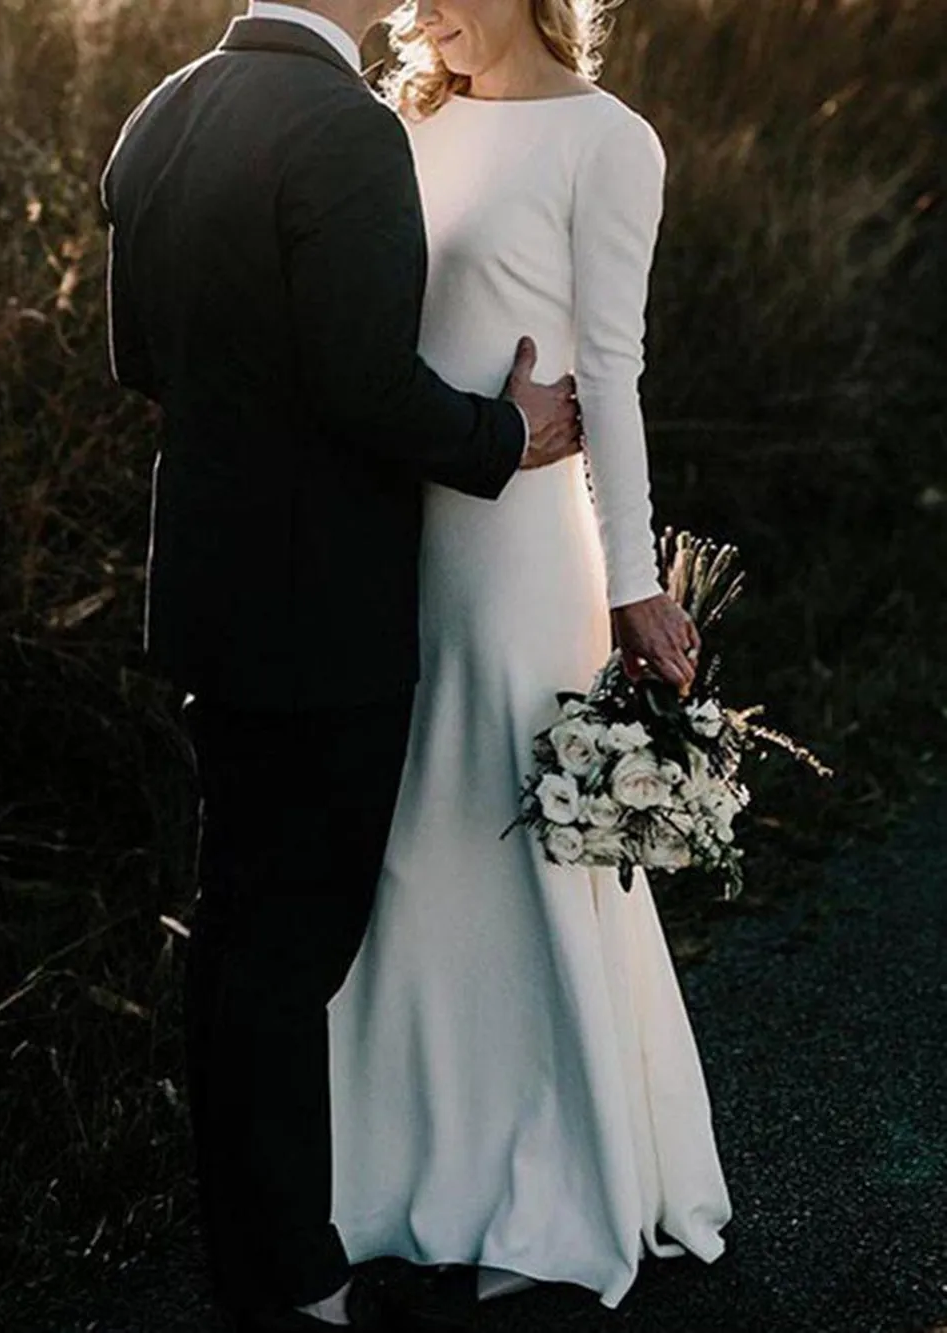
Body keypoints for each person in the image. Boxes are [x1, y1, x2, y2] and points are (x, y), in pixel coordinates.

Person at [99, 0, 588, 1327]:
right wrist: (510, 431)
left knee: (237, 931)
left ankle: (255, 1260)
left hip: (209, 591)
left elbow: (136, 358)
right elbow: (367, 388)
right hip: (322, 612)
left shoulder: (165, 112)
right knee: (290, 945)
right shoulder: (345, 128)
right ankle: (294, 1281)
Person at [326, 0, 732, 1325]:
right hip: (396, 534)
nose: (420, 13)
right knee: (401, 839)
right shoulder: (401, 125)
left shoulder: (609, 141)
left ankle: (558, 1172)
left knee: (510, 837)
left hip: (519, 558)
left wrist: (630, 589)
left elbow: (611, 374)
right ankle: (392, 1165)